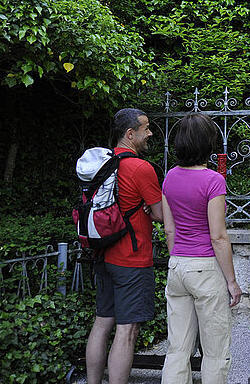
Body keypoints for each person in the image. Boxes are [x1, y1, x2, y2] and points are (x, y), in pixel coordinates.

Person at [161, 113, 241, 383]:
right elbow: (218, 236)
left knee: (177, 349)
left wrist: (178, 257)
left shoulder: (170, 177)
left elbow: (168, 229)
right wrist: (232, 282)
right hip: (205, 268)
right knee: (215, 351)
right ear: (209, 143)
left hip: (178, 266)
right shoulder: (213, 181)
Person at [85, 108, 164, 384]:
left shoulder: (101, 165)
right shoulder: (141, 168)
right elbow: (161, 214)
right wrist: (148, 207)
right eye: (146, 128)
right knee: (127, 330)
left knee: (102, 322)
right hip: (132, 257)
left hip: (103, 254)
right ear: (130, 134)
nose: (150, 133)